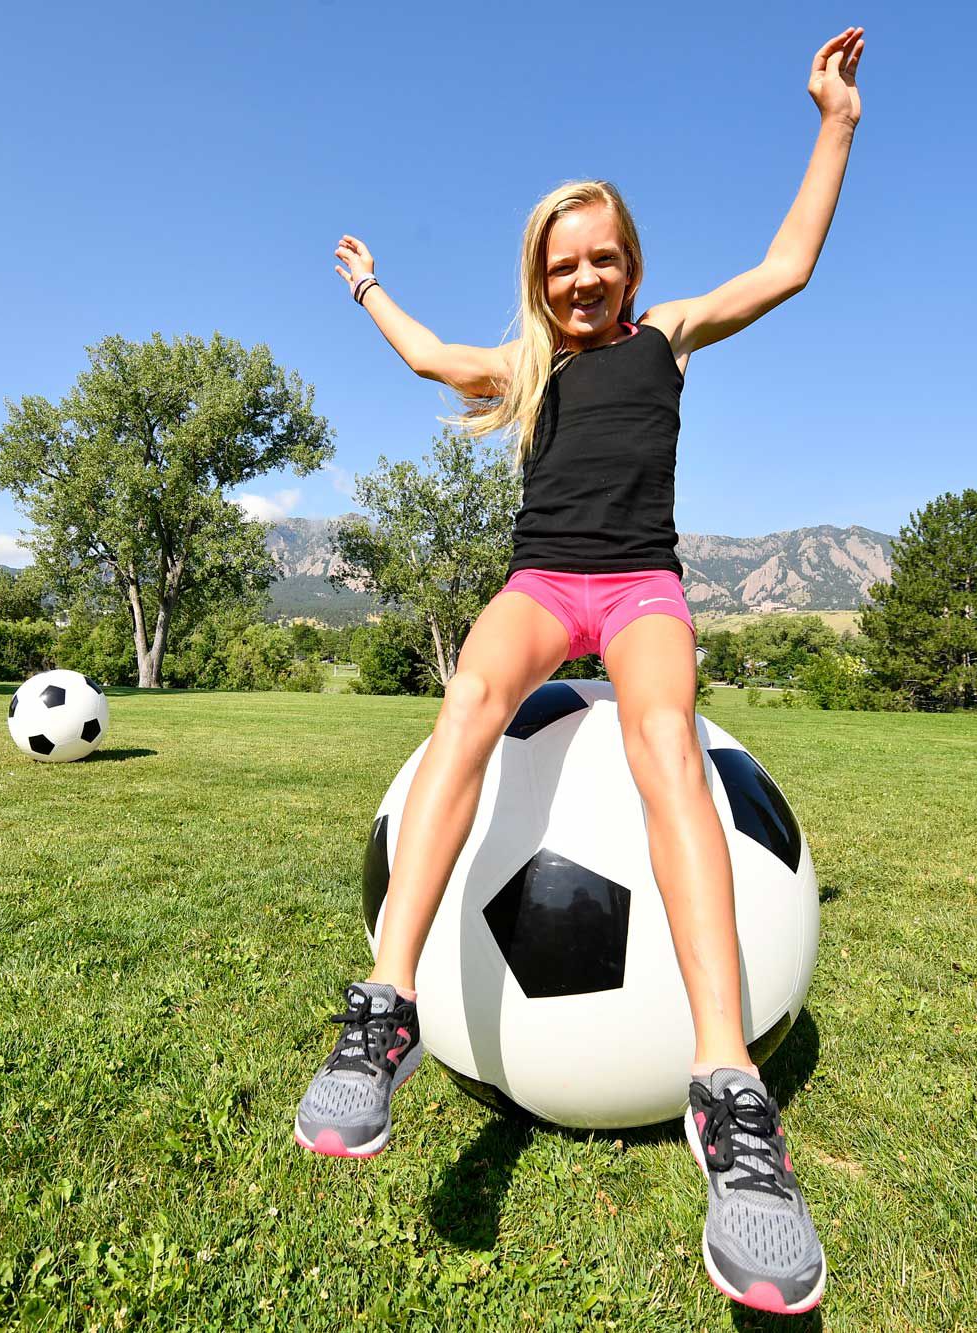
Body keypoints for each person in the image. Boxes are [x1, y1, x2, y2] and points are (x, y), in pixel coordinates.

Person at [293, 26, 865, 1317]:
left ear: (632, 266)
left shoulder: (668, 337)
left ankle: (726, 1089)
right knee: (471, 701)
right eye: (563, 265)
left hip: (643, 585)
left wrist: (834, 122)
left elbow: (786, 266)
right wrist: (369, 289)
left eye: (603, 258)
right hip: (545, 584)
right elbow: (433, 358)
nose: (586, 277)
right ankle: (385, 1010)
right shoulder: (530, 367)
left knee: (666, 743)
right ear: (540, 280)